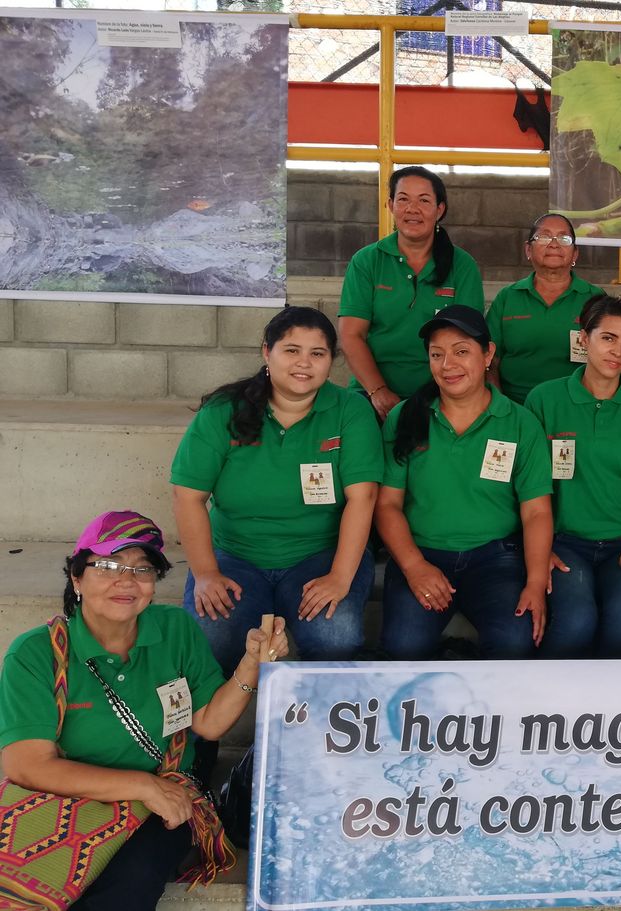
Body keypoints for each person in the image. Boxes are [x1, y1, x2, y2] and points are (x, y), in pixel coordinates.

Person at [0, 511, 288, 911]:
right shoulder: (36, 653)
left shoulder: (175, 629)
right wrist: (143, 786)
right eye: (107, 566)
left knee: (127, 889)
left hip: (164, 794)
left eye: (142, 569)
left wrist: (250, 666)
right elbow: (27, 767)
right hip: (65, 797)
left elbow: (209, 722)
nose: (126, 580)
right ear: (77, 578)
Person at [172, 307, 380, 671]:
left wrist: (339, 576)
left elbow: (363, 497)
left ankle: (319, 728)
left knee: (336, 637)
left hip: (320, 554)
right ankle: (204, 729)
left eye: (318, 353)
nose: (304, 363)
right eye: (291, 350)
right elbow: (188, 496)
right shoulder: (225, 411)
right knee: (209, 635)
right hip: (236, 555)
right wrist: (206, 573)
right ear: (267, 352)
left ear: (332, 360)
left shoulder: (350, 410)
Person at [376, 304, 553, 660]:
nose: (448, 365)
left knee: (515, 644)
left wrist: (535, 582)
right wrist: (414, 567)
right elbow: (387, 505)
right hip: (422, 552)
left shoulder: (520, 422)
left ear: (488, 355)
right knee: (402, 649)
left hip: (495, 560)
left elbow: (535, 511)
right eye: (436, 354)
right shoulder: (405, 418)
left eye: (461, 352)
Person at [524, 295, 621, 657]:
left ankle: (611, 713)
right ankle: (547, 711)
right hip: (565, 543)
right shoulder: (544, 400)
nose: (617, 351)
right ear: (584, 339)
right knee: (576, 623)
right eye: (608, 338)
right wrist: (543, 547)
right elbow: (526, 487)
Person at [339, 166, 483, 420]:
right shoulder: (367, 261)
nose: (412, 209)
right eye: (403, 199)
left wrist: (433, 398)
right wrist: (378, 391)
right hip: (371, 395)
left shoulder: (462, 265)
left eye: (424, 201)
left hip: (442, 394)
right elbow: (351, 335)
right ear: (390, 205)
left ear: (440, 210)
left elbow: (468, 342)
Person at [487, 214, 605, 404]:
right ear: (528, 249)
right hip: (515, 408)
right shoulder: (507, 298)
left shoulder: (594, 298)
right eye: (544, 236)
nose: (554, 244)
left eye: (563, 238)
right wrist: (501, 407)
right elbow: (489, 362)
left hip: (576, 408)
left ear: (575, 253)